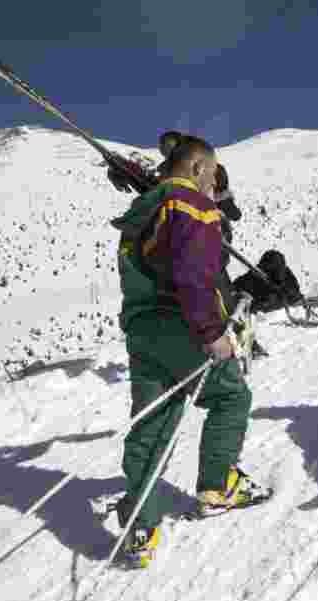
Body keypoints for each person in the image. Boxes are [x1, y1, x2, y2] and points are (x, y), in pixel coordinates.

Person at [110, 136, 269, 566]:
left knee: (152, 423)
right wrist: (210, 331)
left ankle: (141, 524)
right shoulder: (189, 203)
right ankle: (217, 487)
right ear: (199, 168)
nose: (215, 184)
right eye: (214, 174)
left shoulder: (143, 211)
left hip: (143, 329)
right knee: (232, 397)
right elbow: (191, 273)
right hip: (183, 324)